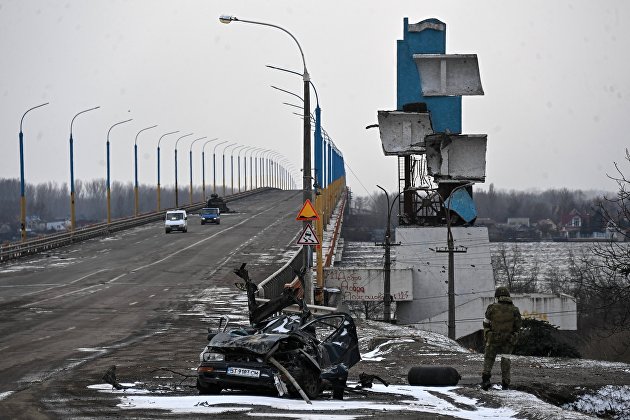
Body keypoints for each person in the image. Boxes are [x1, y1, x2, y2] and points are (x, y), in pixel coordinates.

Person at [481, 286, 522, 390]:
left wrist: (488, 333)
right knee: (505, 360)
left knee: (489, 358)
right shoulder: (515, 310)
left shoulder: (491, 308)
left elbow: (485, 323)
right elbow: (517, 326)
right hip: (508, 340)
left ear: (497, 296)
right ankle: (505, 383)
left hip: (493, 338)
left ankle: (486, 380)